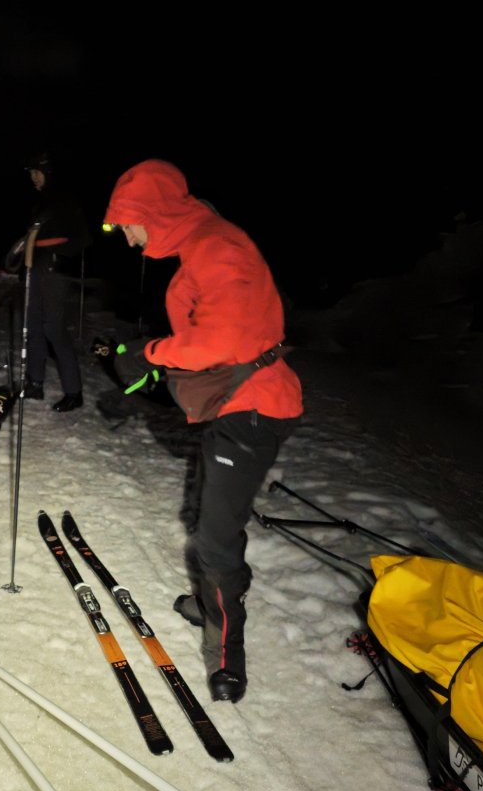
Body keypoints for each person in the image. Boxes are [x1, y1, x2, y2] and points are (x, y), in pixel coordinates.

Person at [104, 159, 303, 703]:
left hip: (254, 407)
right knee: (212, 512)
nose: (123, 235)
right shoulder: (201, 244)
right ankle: (213, 596)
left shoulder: (218, 246)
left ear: (152, 212)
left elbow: (221, 338)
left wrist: (149, 354)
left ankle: (226, 654)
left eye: (125, 222)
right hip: (236, 402)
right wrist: (148, 365)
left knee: (215, 536)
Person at [20, 151, 90, 412]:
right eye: (31, 175)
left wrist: (58, 257)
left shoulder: (67, 202)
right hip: (35, 268)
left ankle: (74, 391)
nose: (33, 179)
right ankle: (34, 382)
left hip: (54, 272)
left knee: (54, 329)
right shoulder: (39, 203)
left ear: (48, 174)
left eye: (36, 174)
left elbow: (82, 239)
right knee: (33, 327)